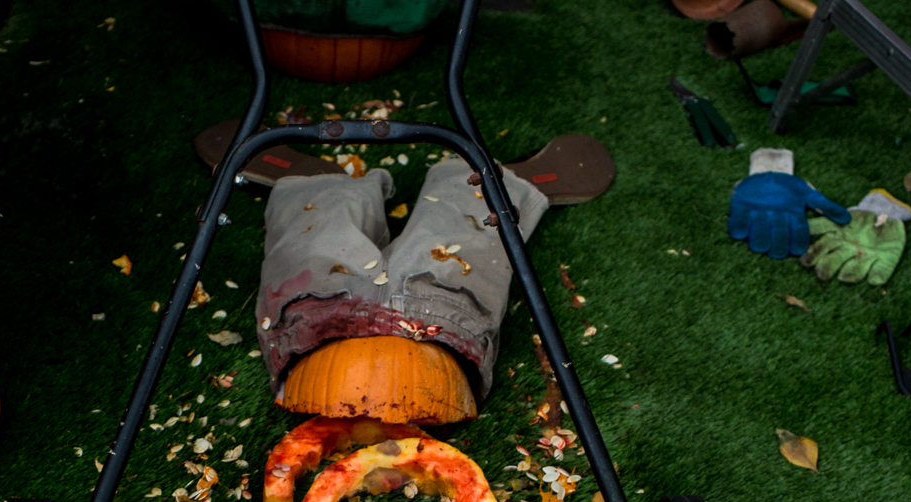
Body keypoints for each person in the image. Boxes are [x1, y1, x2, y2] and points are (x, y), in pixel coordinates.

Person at [196, 125, 613, 423]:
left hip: (341, 323)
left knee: (446, 243)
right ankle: (321, 190)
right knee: (332, 251)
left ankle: (494, 185)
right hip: (418, 327)